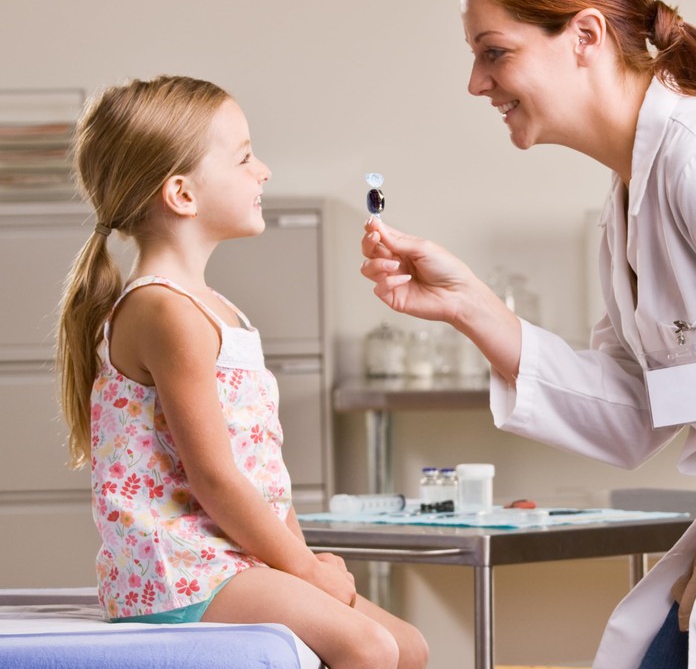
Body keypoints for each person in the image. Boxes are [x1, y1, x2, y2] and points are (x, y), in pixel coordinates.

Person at [360, 0, 696, 669]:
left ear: (586, 36)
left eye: (494, 53)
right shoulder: (632, 198)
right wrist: (471, 307)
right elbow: (636, 413)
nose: (477, 83)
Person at [57, 75, 428, 669]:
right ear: (181, 193)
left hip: (233, 558)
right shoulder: (163, 310)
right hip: (180, 570)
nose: (264, 171)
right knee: (369, 648)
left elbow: (263, 477)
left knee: (409, 647)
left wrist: (300, 562)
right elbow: (216, 479)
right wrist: (305, 570)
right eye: (245, 156)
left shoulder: (216, 308)